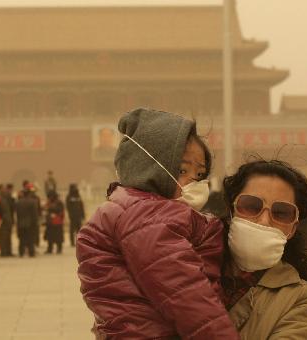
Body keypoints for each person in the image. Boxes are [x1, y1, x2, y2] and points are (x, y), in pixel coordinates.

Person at [77, 108, 240, 339]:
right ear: (150, 166)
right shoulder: (147, 218)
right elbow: (187, 296)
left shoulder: (128, 208)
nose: (194, 181)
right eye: (182, 170)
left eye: (200, 174)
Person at [221, 159, 307, 339]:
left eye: (281, 212)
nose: (264, 220)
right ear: (231, 210)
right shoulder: (187, 260)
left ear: (292, 228)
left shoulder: (300, 297)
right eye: (251, 206)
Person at [16, 187, 39, 257]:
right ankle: (31, 252)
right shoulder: (33, 202)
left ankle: (21, 252)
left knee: (22, 238)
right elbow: (35, 213)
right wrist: (35, 222)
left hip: (21, 222)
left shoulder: (18, 202)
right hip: (30, 223)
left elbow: (17, 213)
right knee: (31, 238)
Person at [0, 183, 16, 257]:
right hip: (7, 219)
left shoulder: (1, 199)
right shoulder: (6, 199)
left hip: (4, 220)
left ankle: (5, 252)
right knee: (6, 236)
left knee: (4, 236)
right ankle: (7, 251)